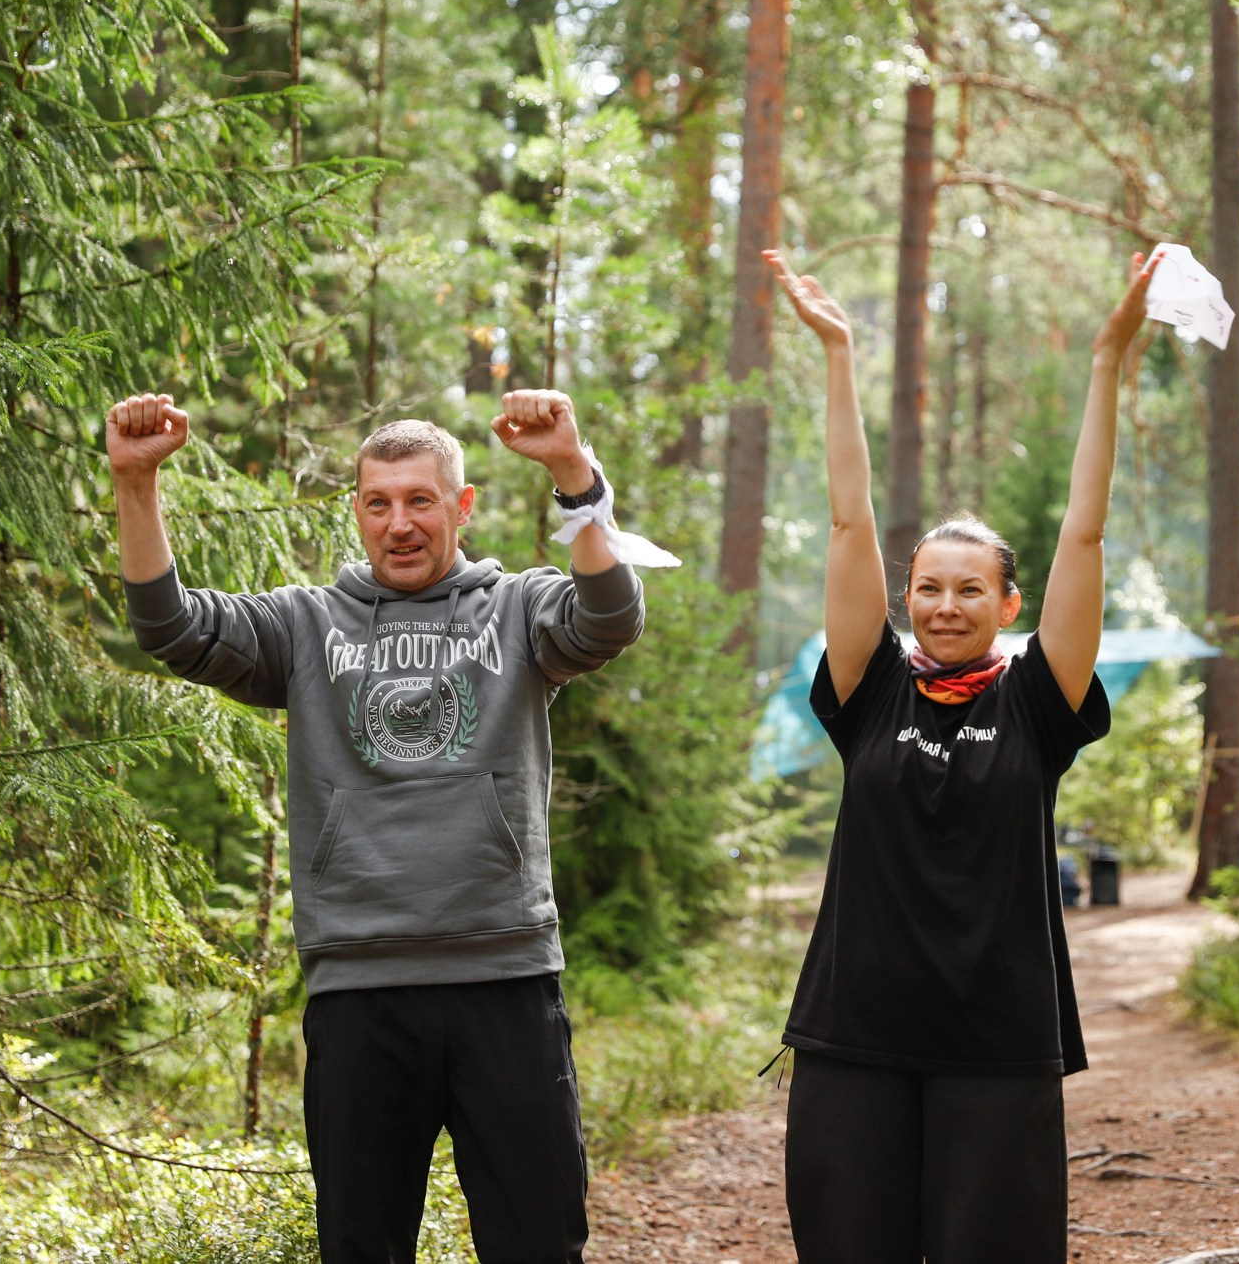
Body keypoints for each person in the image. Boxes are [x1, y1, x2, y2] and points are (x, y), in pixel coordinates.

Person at [106, 387, 651, 1264]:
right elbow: (169, 626)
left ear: (460, 507)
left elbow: (611, 614)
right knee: (362, 1246)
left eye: (420, 501)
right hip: (360, 989)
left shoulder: (517, 609)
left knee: (540, 1241)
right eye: (378, 503)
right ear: (356, 512)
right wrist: (136, 486)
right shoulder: (303, 624)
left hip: (504, 977)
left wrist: (571, 473)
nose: (399, 524)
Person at [766, 245, 1158, 1262]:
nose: (944, 604)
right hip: (855, 1035)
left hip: (997, 1042)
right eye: (927, 586)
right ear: (905, 595)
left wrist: (1107, 363)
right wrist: (839, 354)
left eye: (968, 588)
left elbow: (1083, 534)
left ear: (1006, 603)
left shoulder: (1038, 696)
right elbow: (849, 517)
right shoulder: (868, 688)